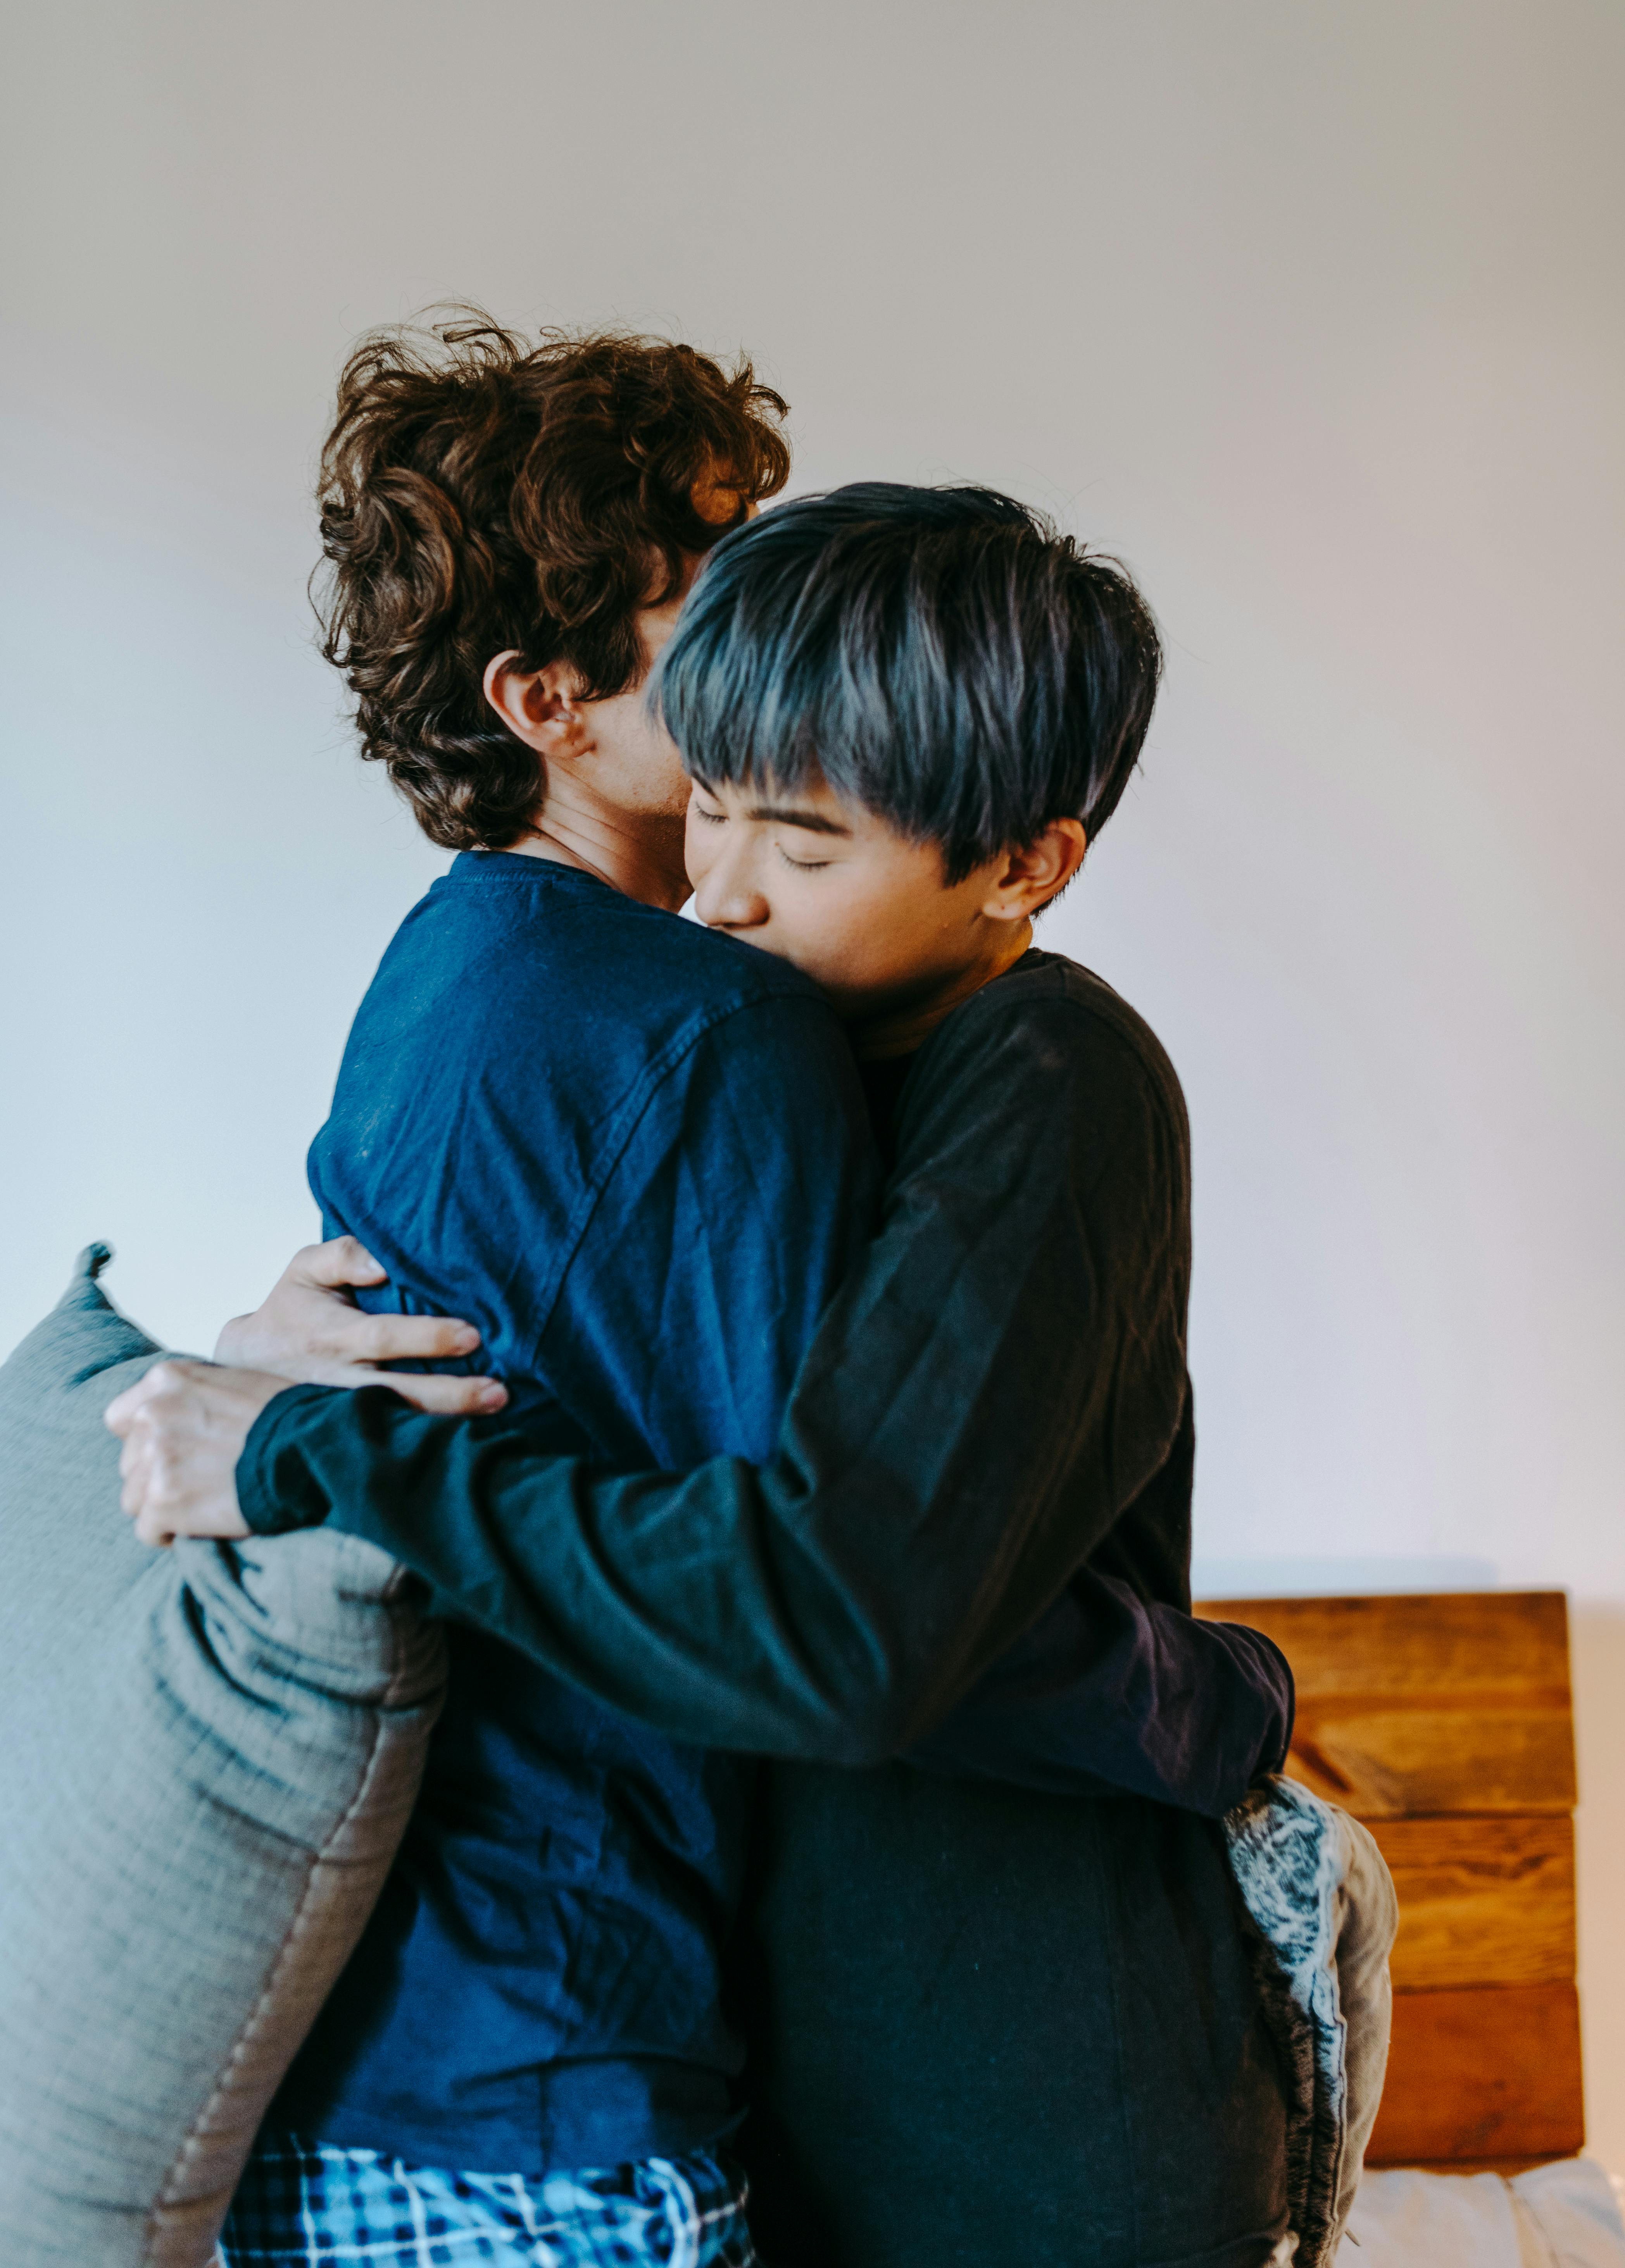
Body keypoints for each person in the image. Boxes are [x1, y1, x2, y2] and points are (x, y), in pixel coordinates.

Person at [114, 340, 1294, 2266]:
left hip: (1003, 2112)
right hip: (714, 2083)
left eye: (800, 834)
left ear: (1024, 864)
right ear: (555, 708)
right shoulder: (721, 1037)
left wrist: (1207, 1705)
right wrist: (278, 1379)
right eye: (730, 797)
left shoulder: (1003, 1071)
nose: (734, 888)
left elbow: (846, 1605)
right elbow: (795, 1572)